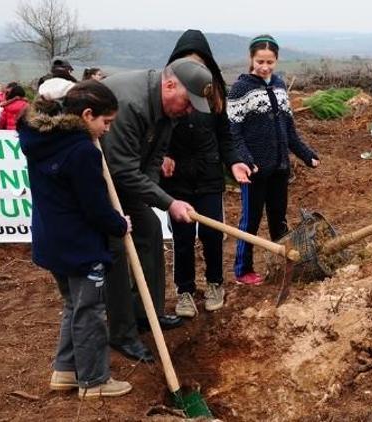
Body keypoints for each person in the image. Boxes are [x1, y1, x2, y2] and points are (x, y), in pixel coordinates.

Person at [18, 80, 134, 399]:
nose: (108, 130)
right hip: (80, 246)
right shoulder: (82, 151)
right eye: (105, 122)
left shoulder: (40, 138)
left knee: (74, 303)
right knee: (90, 311)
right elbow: (95, 208)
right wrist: (119, 224)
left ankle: (66, 370)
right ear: (86, 115)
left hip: (51, 240)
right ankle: (94, 381)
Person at [99, 57, 213, 362]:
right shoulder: (129, 104)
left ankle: (147, 313)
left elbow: (153, 157)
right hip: (98, 182)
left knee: (149, 228)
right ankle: (122, 333)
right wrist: (168, 201)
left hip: (126, 180)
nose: (189, 110)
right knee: (118, 248)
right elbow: (120, 169)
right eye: (188, 102)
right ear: (170, 84)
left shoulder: (168, 109)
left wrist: (149, 198)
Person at [162, 29, 252, 317]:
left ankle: (215, 283)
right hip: (179, 179)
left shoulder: (213, 94)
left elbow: (225, 136)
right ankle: (185, 290)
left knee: (213, 235)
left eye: (199, 64)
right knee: (183, 238)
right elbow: (157, 133)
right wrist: (162, 155)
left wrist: (233, 162)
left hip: (210, 176)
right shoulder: (168, 94)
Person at [228, 34, 319, 285]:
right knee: (250, 221)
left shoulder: (279, 85)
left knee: (278, 218)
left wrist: (306, 154)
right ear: (251, 59)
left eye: (270, 61)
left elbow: (289, 130)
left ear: (277, 60)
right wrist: (245, 159)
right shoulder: (241, 89)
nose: (265, 67)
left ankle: (282, 264)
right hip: (254, 170)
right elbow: (233, 132)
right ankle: (242, 270)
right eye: (260, 61)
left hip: (280, 168)